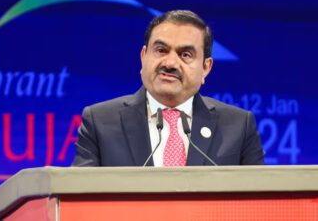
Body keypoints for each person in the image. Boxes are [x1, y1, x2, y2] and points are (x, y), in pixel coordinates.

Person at [72, 10, 265, 167]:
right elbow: (78, 201)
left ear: (205, 68)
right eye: (161, 51)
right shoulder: (100, 122)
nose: (171, 63)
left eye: (185, 55)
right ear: (143, 56)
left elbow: (260, 203)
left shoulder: (239, 127)